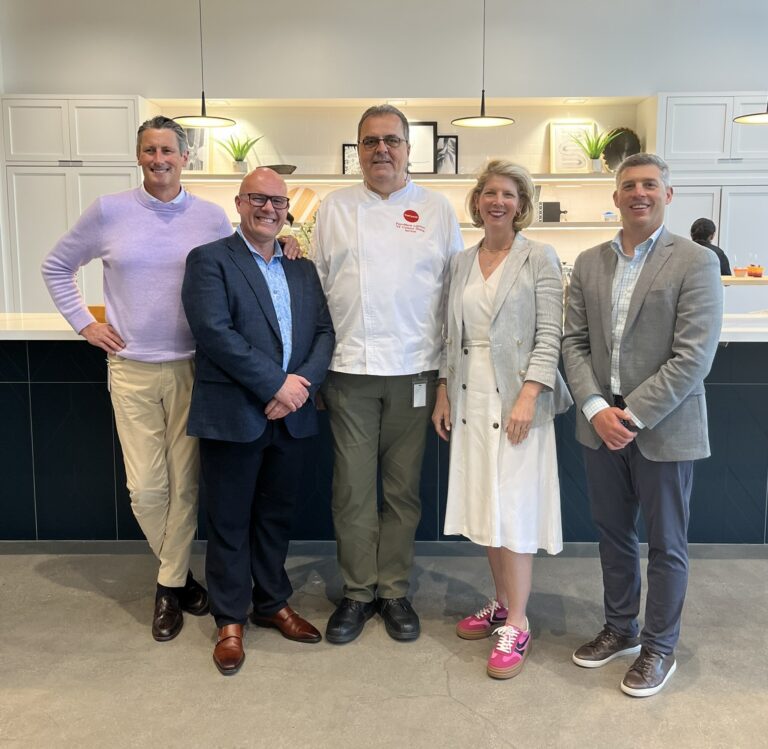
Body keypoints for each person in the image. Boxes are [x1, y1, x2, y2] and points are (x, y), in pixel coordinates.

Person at [41, 116, 232, 642]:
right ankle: (180, 578)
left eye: (168, 150)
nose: (159, 159)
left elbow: (239, 271)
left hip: (195, 367)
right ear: (139, 156)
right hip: (131, 369)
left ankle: (168, 590)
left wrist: (284, 249)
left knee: (185, 486)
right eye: (149, 150)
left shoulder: (212, 218)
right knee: (147, 489)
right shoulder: (109, 211)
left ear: (185, 157)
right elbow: (56, 267)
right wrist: (86, 324)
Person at [562, 153, 723, 697]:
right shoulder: (587, 262)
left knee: (666, 544)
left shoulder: (695, 261)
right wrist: (594, 408)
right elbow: (573, 343)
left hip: (662, 426)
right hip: (598, 425)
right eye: (628, 185)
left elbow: (693, 356)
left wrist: (628, 415)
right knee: (612, 536)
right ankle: (621, 627)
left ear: (668, 195)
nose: (639, 193)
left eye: (650, 184)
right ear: (615, 197)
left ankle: (659, 647)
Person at [312, 105, 463, 644]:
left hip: (415, 371)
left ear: (407, 149)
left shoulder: (437, 209)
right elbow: (318, 291)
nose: (382, 150)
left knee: (402, 492)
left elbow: (453, 299)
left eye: (392, 141)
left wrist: (446, 377)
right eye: (371, 141)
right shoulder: (333, 208)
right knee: (352, 490)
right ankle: (357, 592)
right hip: (349, 371)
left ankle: (394, 589)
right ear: (358, 149)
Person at [181, 168, 334, 676]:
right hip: (234, 412)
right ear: (240, 203)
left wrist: (299, 388)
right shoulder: (209, 261)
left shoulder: (301, 268)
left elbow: (323, 332)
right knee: (228, 521)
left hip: (291, 414)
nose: (268, 208)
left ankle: (271, 603)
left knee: (275, 516)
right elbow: (215, 333)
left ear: (288, 208)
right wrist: (276, 385)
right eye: (258, 199)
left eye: (277, 201)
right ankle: (229, 619)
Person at [432, 160, 572, 679]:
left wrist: (529, 393)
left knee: (514, 505)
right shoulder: (461, 262)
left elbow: (551, 335)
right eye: (489, 192)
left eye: (509, 194)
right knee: (485, 500)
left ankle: (518, 619)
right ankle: (499, 600)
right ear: (476, 202)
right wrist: (444, 391)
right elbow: (451, 336)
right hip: (471, 398)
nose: (498, 201)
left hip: (518, 401)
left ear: (522, 203)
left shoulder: (540, 257)